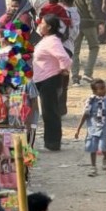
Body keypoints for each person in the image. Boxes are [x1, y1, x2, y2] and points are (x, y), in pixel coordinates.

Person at [33, 14, 71, 151]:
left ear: (49, 27)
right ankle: (49, 141)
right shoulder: (46, 39)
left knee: (50, 112)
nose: (39, 25)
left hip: (50, 79)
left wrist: (64, 69)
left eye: (42, 23)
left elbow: (64, 58)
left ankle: (53, 142)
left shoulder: (53, 41)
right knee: (47, 112)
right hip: (41, 79)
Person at [75, 78, 106, 177]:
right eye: (100, 89)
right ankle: (93, 167)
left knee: (102, 147)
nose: (103, 90)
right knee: (92, 148)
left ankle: (105, 157)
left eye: (104, 88)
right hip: (92, 129)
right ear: (94, 91)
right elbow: (85, 115)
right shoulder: (90, 101)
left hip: (103, 128)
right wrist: (78, 129)